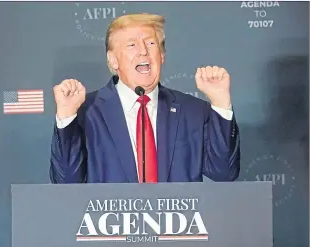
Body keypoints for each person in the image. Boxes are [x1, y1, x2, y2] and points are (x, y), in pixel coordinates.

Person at [49, 13, 240, 184]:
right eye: (132, 45)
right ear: (113, 60)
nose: (143, 51)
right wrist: (66, 117)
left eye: (150, 43)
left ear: (162, 55)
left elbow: (224, 173)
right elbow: (66, 181)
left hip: (178, 223)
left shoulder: (193, 110)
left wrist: (221, 101)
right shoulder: (87, 112)